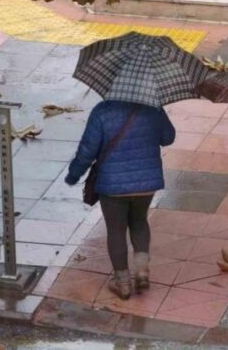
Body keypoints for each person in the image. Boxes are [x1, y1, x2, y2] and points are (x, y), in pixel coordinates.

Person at [65, 100, 176, 300]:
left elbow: (87, 151)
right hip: (146, 182)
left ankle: (122, 282)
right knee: (140, 222)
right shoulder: (152, 107)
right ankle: (141, 270)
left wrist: (73, 175)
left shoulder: (102, 111)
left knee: (116, 230)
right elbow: (168, 138)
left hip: (112, 184)